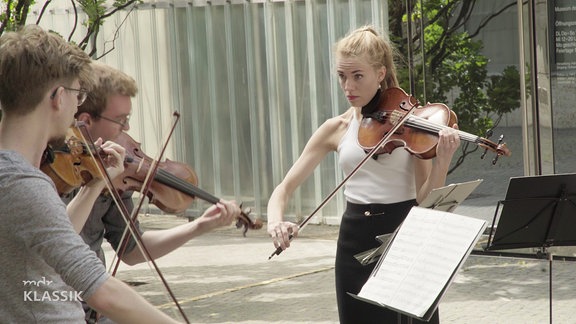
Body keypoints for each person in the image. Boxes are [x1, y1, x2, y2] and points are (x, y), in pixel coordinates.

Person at [266, 25, 461, 324]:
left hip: (405, 233)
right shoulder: (336, 128)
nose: (348, 86)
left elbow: (425, 199)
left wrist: (442, 161)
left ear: (380, 74)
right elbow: (284, 188)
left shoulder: (409, 123)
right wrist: (275, 221)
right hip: (354, 241)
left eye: (358, 76)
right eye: (342, 76)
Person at [0, 24, 179, 323]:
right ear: (58, 97)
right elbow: (101, 290)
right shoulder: (23, 185)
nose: (77, 106)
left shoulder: (14, 177)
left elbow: (52, 239)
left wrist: (95, 184)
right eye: (78, 94)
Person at [59, 61, 242, 322]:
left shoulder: (114, 172)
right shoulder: (51, 172)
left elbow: (132, 250)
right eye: (121, 121)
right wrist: (95, 184)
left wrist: (199, 226)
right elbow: (58, 239)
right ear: (85, 121)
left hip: (96, 313)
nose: (127, 130)